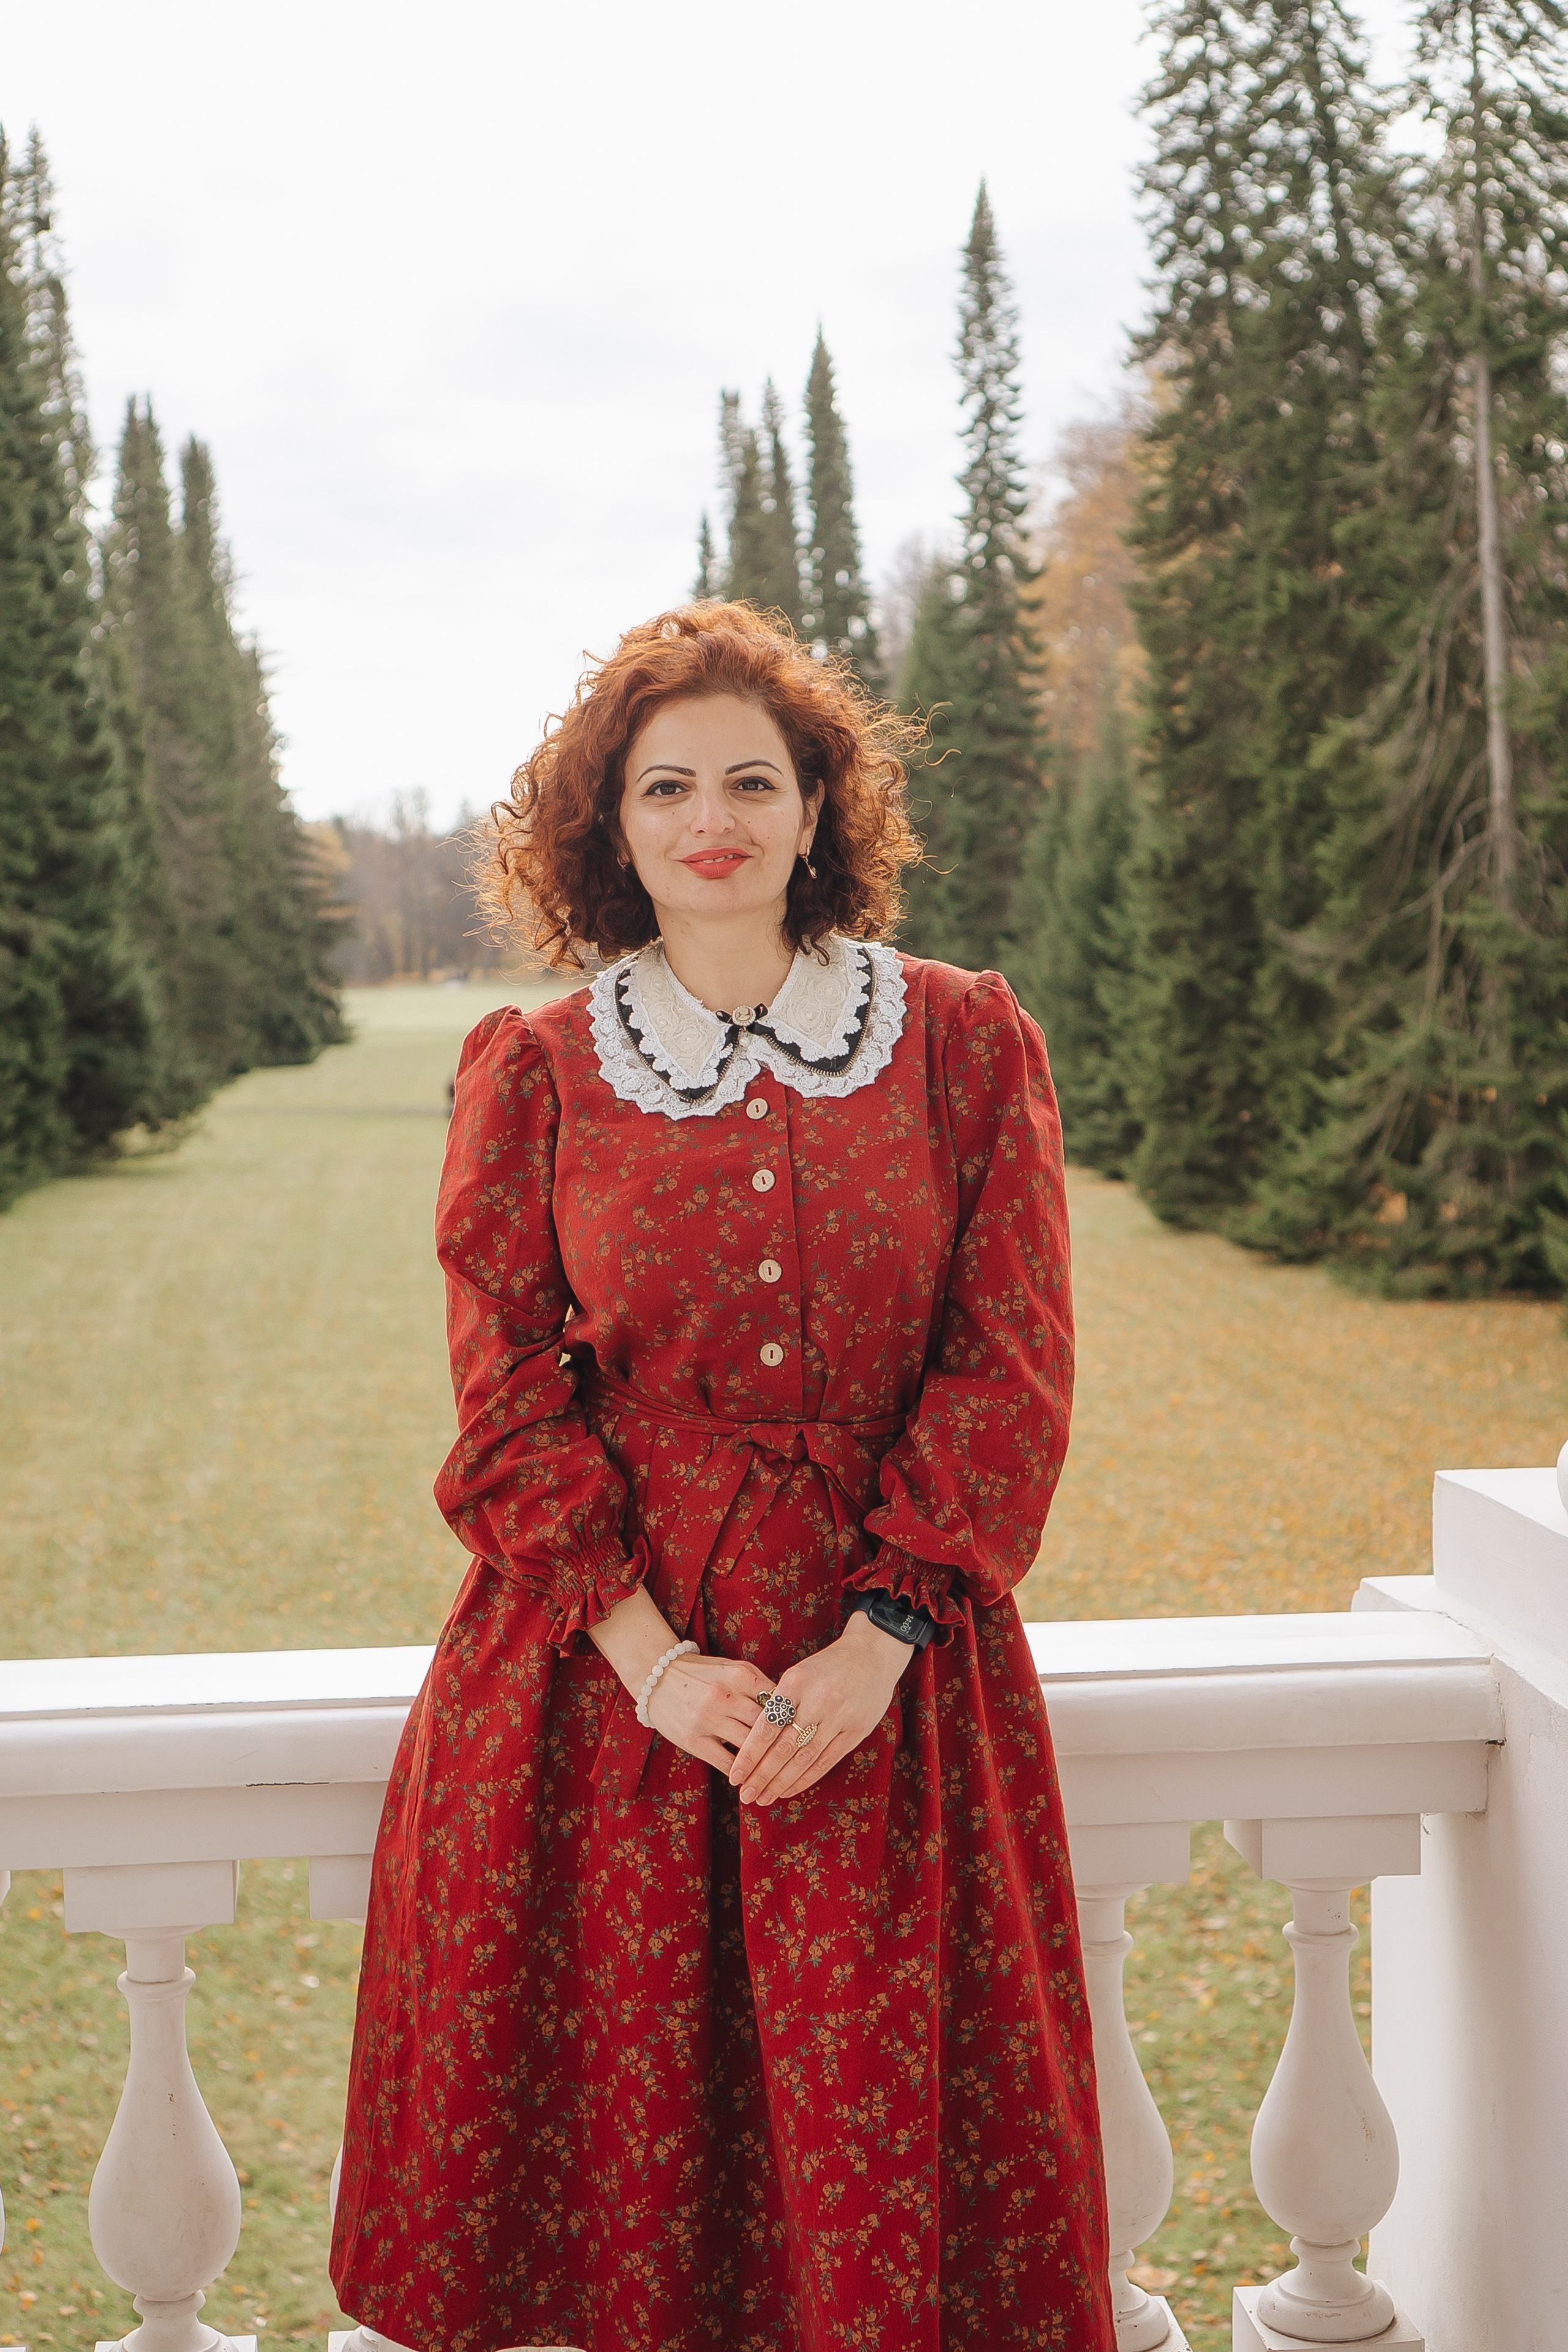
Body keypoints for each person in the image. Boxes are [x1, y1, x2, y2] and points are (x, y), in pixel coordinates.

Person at [330, 602, 1114, 2352]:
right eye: (665, 783)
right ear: (608, 828)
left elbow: (1012, 1364)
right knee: (618, 2199)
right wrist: (650, 1662)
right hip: (600, 1701)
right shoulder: (533, 1071)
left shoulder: (966, 1040)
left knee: (880, 2186)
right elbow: (507, 1403)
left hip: (894, 1697)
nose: (715, 817)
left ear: (822, 808)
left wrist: (884, 1640)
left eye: (755, 778)